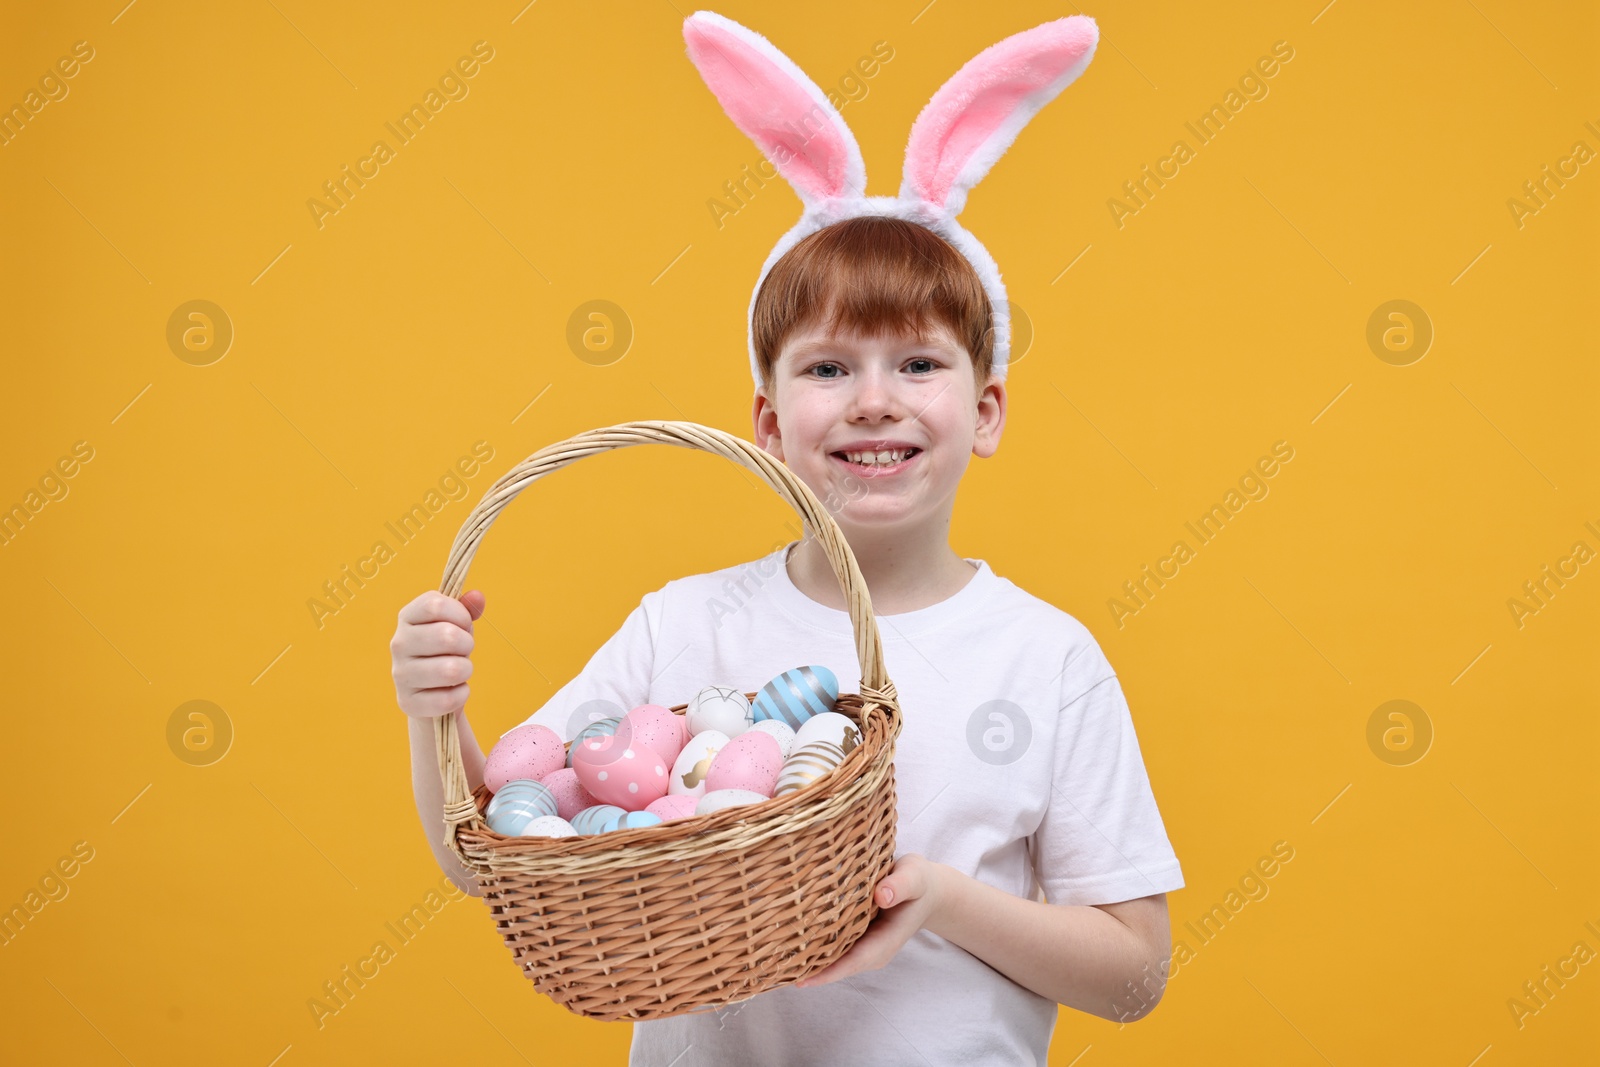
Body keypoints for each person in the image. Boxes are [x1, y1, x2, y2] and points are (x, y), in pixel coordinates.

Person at [391, 11, 1183, 1064]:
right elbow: (495, 846)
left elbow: (1134, 973)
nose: (871, 401)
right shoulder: (685, 625)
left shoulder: (1047, 659)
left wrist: (935, 894)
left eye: (917, 364)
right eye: (824, 368)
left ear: (985, 410)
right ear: (767, 425)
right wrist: (433, 713)